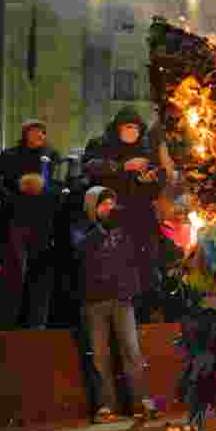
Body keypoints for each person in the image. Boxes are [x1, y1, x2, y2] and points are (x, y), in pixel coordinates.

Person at [73, 186, 156, 423]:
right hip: (93, 301)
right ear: (92, 207)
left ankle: (141, 403)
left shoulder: (124, 227)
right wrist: (102, 229)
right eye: (103, 204)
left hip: (122, 298)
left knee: (132, 349)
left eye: (112, 203)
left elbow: (138, 252)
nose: (109, 208)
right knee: (99, 355)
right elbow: (80, 250)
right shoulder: (81, 227)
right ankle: (105, 406)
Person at [83, 108, 167, 326]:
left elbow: (158, 182)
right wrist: (121, 167)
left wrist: (150, 181)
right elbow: (90, 167)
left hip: (141, 217)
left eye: (136, 127)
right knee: (116, 269)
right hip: (112, 217)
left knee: (146, 267)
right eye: (127, 127)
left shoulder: (146, 149)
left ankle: (146, 316)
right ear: (117, 128)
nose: (132, 131)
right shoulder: (102, 144)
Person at [0, 119, 61, 329]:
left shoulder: (52, 156)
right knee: (13, 275)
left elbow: (60, 186)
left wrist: (45, 191)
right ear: (25, 134)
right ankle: (7, 325)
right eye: (35, 132)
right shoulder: (9, 156)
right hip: (13, 222)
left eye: (43, 133)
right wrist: (12, 194)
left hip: (43, 224)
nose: (40, 137)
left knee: (39, 277)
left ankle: (36, 325)